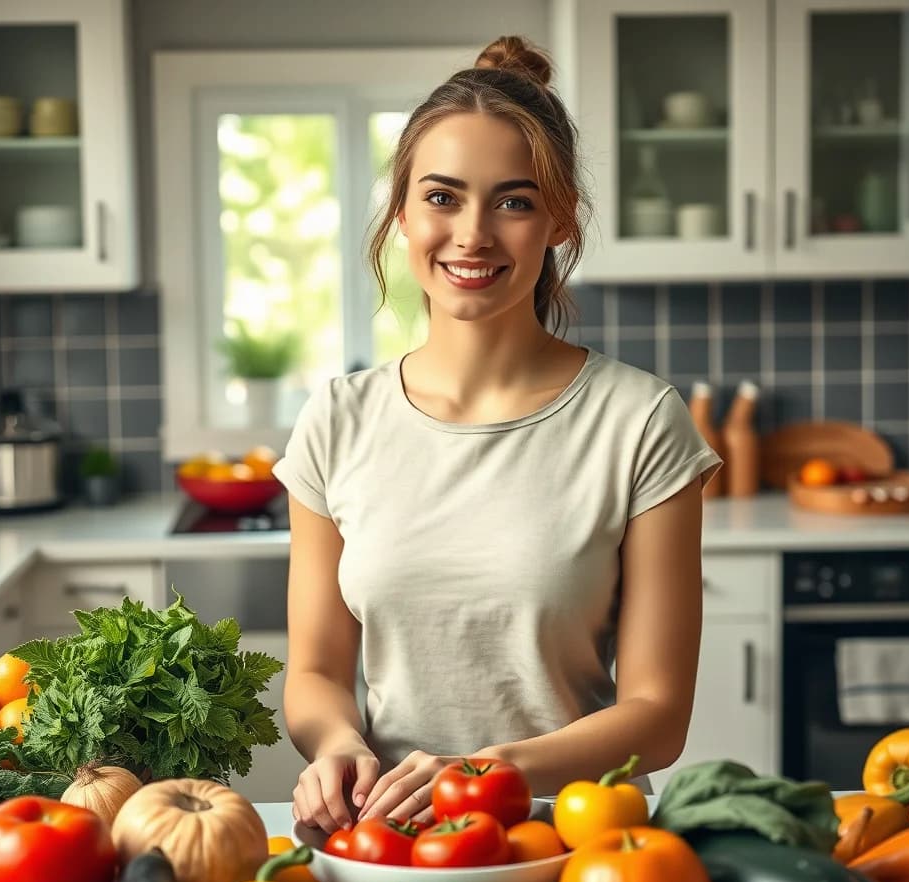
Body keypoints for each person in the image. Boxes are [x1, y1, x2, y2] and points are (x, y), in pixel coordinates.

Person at [272, 36, 722, 836]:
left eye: (513, 202)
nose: (472, 235)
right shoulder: (337, 422)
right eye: (442, 198)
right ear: (402, 214)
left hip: (575, 843)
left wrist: (489, 773)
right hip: (390, 840)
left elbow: (658, 715)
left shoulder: (641, 423)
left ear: (558, 220)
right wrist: (336, 742)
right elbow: (313, 672)